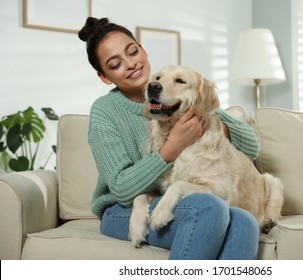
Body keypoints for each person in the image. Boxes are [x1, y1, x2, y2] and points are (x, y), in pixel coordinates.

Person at [78, 17, 261, 260]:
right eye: (115, 64)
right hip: (121, 210)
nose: (131, 64)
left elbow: (252, 146)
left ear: (143, 50)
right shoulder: (105, 111)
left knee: (245, 221)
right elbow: (121, 189)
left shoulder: (178, 94)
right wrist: (173, 146)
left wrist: (210, 127)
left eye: (132, 52)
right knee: (210, 208)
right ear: (104, 76)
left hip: (168, 199)